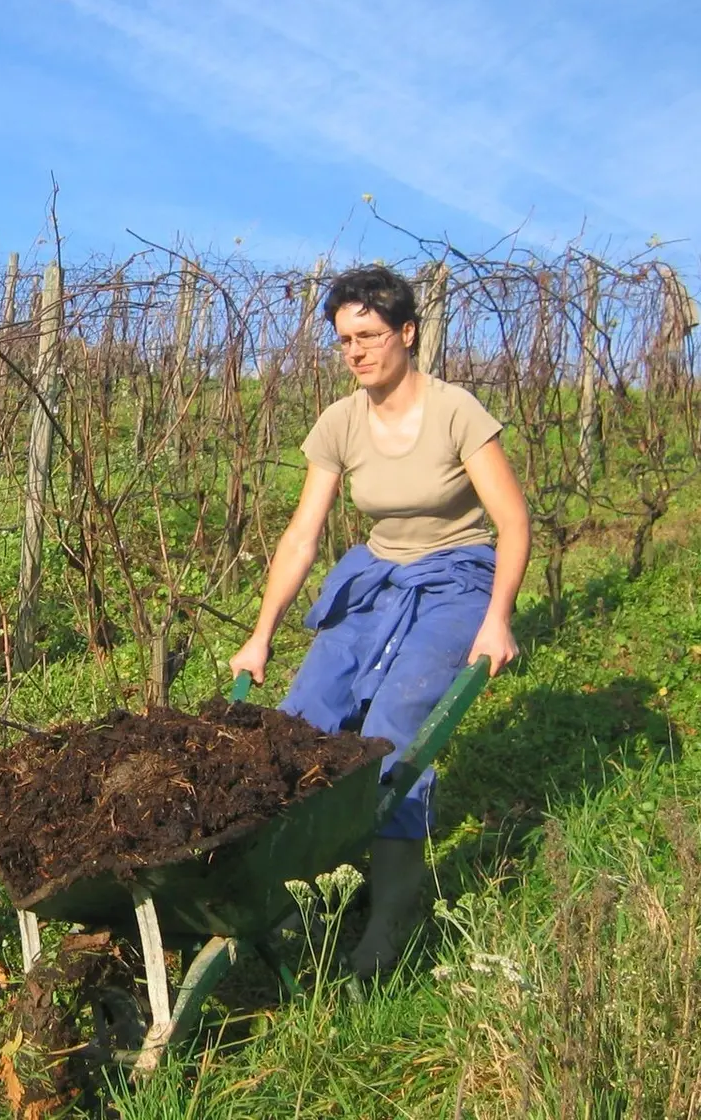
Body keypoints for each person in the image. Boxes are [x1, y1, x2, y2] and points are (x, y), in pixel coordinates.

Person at [229, 264, 530, 977]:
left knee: (395, 738)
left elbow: (513, 520)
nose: (355, 351)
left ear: (407, 333)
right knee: (300, 724)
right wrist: (261, 634)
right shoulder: (340, 422)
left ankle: (390, 919)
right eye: (342, 340)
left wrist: (498, 619)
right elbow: (303, 535)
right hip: (372, 577)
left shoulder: (456, 412)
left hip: (455, 579)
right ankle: (299, 886)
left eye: (368, 335)